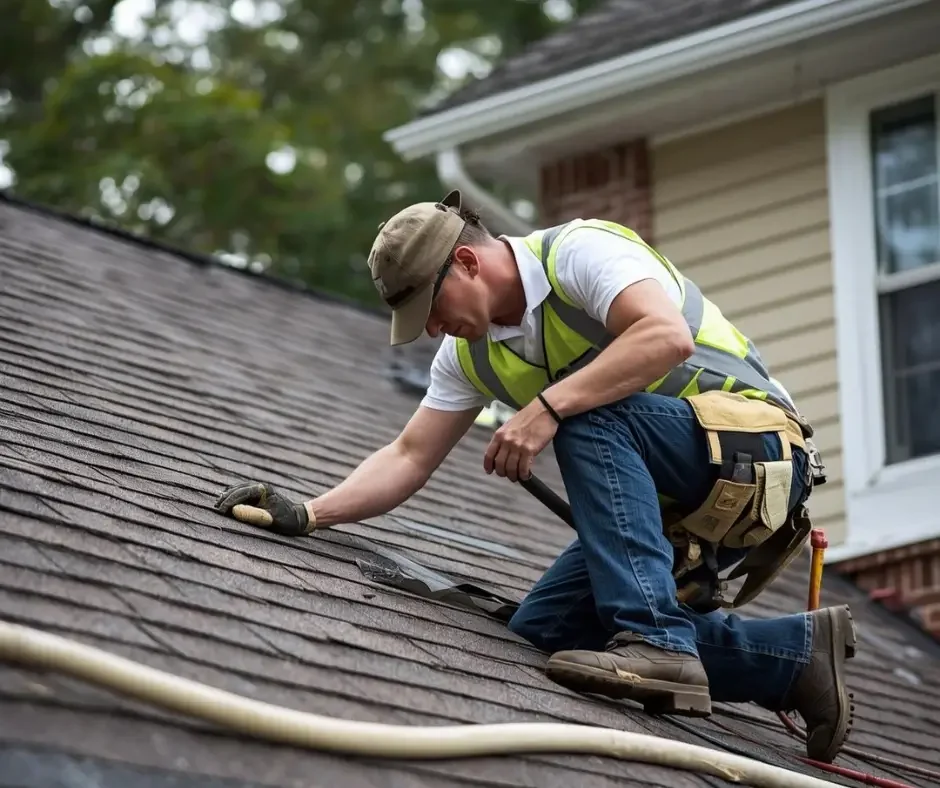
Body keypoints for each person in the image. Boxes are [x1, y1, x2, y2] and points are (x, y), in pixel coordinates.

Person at [215, 190, 857, 763]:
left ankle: (660, 640)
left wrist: (547, 408)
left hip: (761, 451)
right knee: (546, 632)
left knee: (587, 417)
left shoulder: (579, 254)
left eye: (431, 307)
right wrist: (310, 513)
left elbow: (666, 336)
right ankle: (794, 659)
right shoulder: (466, 356)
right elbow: (408, 456)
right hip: (678, 504)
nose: (432, 330)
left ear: (467, 262)